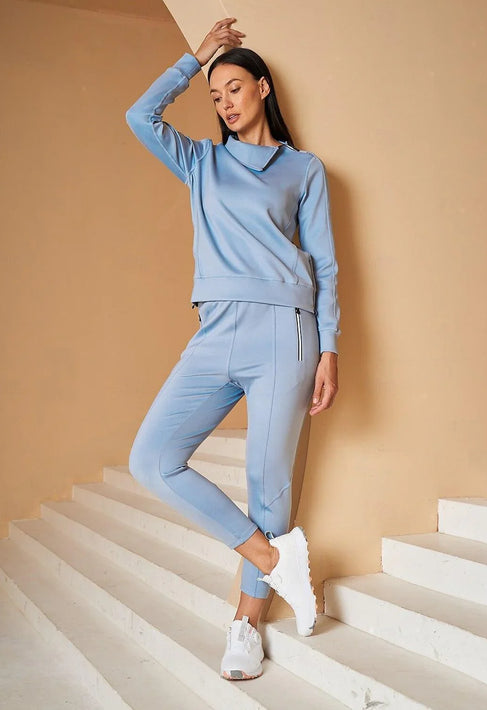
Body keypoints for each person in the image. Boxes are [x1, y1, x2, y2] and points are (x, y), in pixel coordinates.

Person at [125, 17, 340, 681]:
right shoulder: (201, 163)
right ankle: (275, 561)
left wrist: (329, 348)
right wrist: (194, 62)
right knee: (152, 459)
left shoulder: (303, 169)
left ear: (262, 88)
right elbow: (139, 117)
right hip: (215, 330)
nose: (223, 102)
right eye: (215, 95)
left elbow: (324, 265)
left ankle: (245, 624)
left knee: (267, 483)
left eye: (234, 88)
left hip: (286, 332)